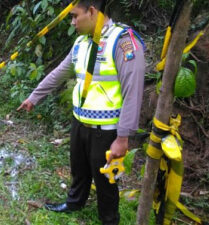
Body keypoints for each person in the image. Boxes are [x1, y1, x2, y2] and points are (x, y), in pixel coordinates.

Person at [17, 0, 145, 224]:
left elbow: (132, 92)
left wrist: (123, 137)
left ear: (92, 11)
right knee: (79, 170)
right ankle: (74, 203)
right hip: (80, 122)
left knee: (106, 181)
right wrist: (34, 97)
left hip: (106, 131)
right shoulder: (81, 43)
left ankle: (109, 219)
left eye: (76, 16)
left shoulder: (123, 41)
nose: (73, 22)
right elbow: (59, 73)